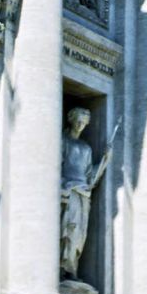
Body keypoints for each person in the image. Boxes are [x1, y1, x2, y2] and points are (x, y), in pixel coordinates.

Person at [59, 105, 111, 284]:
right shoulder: (63, 141)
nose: (80, 125)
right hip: (68, 190)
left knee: (79, 234)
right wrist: (62, 187)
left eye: (84, 123)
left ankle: (71, 267)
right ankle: (60, 267)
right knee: (67, 228)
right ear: (71, 119)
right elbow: (55, 166)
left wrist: (104, 160)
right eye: (78, 121)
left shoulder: (86, 148)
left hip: (83, 193)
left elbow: (90, 176)